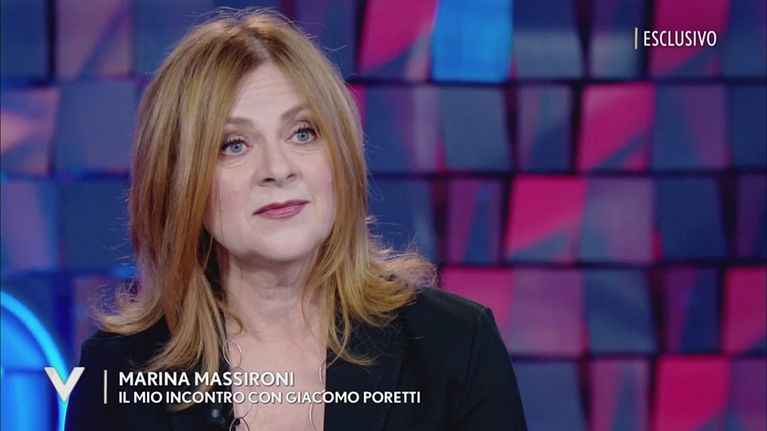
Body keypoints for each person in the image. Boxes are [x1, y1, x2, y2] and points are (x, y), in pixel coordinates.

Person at [65, 9, 527, 431]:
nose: (278, 168)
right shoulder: (117, 372)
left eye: (303, 133)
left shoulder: (454, 347)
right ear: (180, 182)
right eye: (233, 145)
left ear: (340, 155)